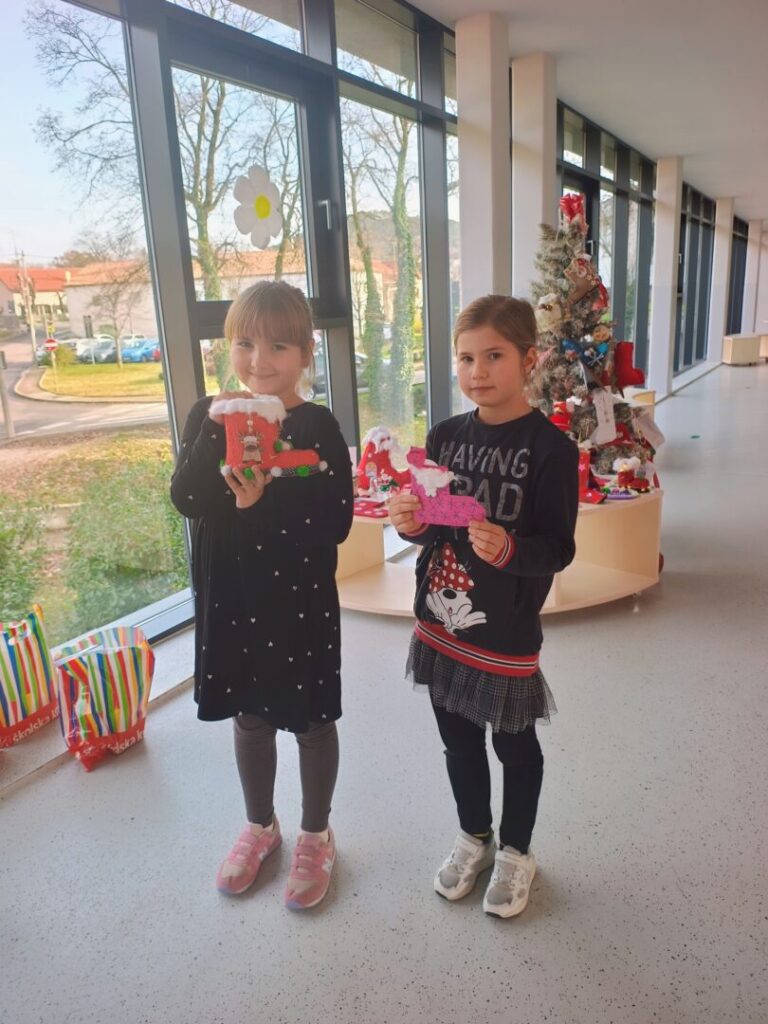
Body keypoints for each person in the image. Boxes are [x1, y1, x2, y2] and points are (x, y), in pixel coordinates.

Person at [389, 294, 578, 919]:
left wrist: (511, 549)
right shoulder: (445, 436)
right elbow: (432, 528)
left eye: (494, 356)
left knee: (515, 747)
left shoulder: (552, 450)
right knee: (458, 742)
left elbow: (559, 547)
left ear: (530, 359)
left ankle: (517, 850)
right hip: (441, 624)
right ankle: (475, 834)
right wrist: (411, 523)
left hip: (506, 632)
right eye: (466, 358)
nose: (477, 372)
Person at [171, 281, 353, 910]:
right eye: (245, 343)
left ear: (305, 353)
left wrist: (261, 505)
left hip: (296, 598)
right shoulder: (208, 414)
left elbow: (335, 522)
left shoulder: (318, 426)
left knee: (310, 719)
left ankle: (316, 834)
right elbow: (187, 497)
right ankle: (260, 826)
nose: (259, 360)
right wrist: (212, 427)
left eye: (278, 346)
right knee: (248, 715)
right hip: (231, 596)